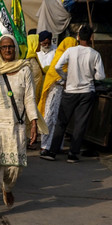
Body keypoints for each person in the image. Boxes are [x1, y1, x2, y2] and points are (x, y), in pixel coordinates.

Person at [0, 34, 38, 220]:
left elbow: (29, 98)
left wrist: (34, 123)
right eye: (3, 47)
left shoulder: (24, 69)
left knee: (14, 167)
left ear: (15, 48)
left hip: (16, 125)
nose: (7, 50)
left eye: (10, 46)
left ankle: (8, 188)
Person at [41, 25, 105, 163]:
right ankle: (72, 154)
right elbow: (100, 76)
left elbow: (57, 66)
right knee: (80, 123)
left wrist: (65, 77)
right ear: (91, 38)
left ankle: (52, 152)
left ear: (78, 37)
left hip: (70, 91)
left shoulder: (70, 51)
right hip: (87, 92)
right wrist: (91, 74)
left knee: (61, 122)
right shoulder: (95, 54)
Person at [38, 37, 77, 159]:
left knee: (56, 118)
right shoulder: (62, 57)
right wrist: (64, 79)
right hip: (55, 91)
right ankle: (47, 146)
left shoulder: (63, 55)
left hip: (60, 91)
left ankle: (54, 145)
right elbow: (56, 73)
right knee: (52, 117)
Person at [26, 34, 44, 104]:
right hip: (32, 97)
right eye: (38, 43)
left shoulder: (33, 57)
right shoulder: (29, 61)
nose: (40, 45)